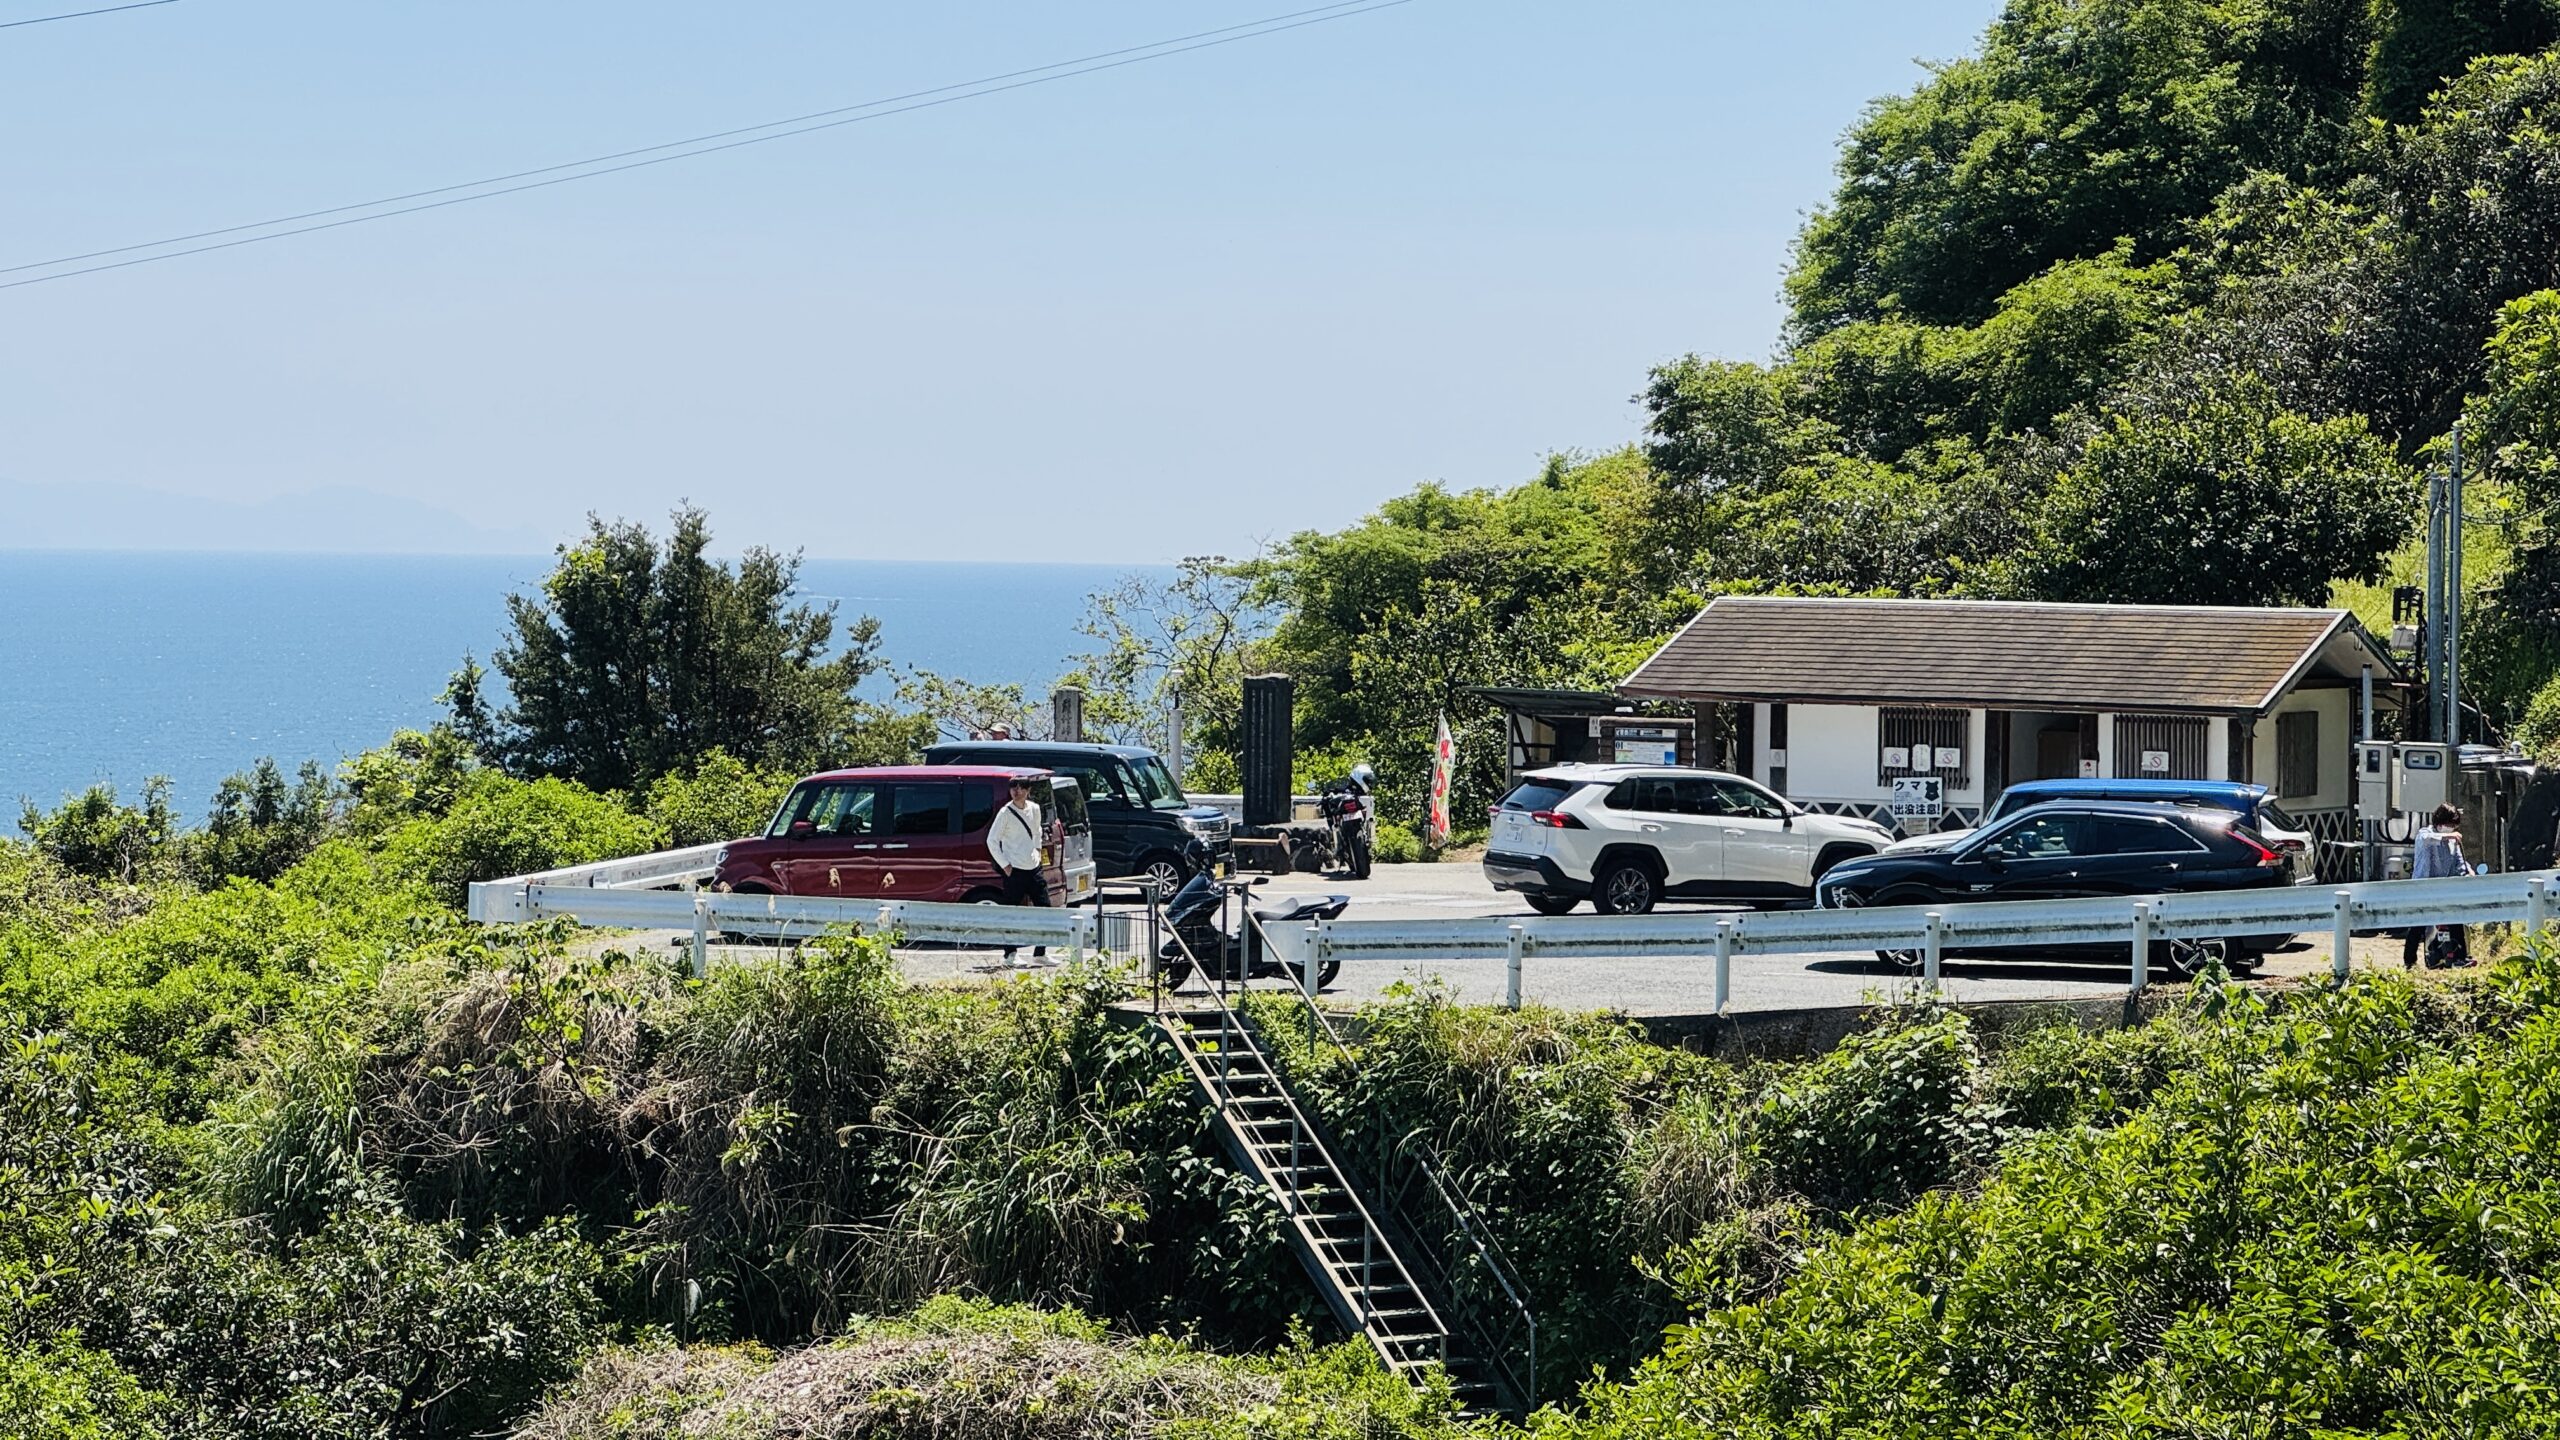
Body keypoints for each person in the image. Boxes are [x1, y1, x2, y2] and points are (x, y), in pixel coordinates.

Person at [988, 775, 1053, 963]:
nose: (1017, 790)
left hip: (1033, 867)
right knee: (1011, 911)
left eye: (1021, 787)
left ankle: (1040, 953)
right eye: (1013, 787)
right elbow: (992, 840)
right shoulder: (1005, 812)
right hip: (1014, 869)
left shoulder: (1035, 808)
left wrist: (1038, 852)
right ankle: (1010, 954)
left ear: (1028, 790)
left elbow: (1037, 831)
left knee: (1045, 909)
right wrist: (1005, 865)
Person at [2405, 803, 2470, 968]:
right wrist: (2448, 836)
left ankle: (2460, 957)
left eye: (2453, 826)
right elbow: (2427, 840)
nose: (2451, 829)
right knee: (2418, 925)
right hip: (2423, 888)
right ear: (2439, 822)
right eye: (2448, 825)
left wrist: (2468, 874)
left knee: (2455, 920)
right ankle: (2409, 962)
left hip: (2445, 889)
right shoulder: (2425, 833)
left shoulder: (2452, 842)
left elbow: (2459, 862)